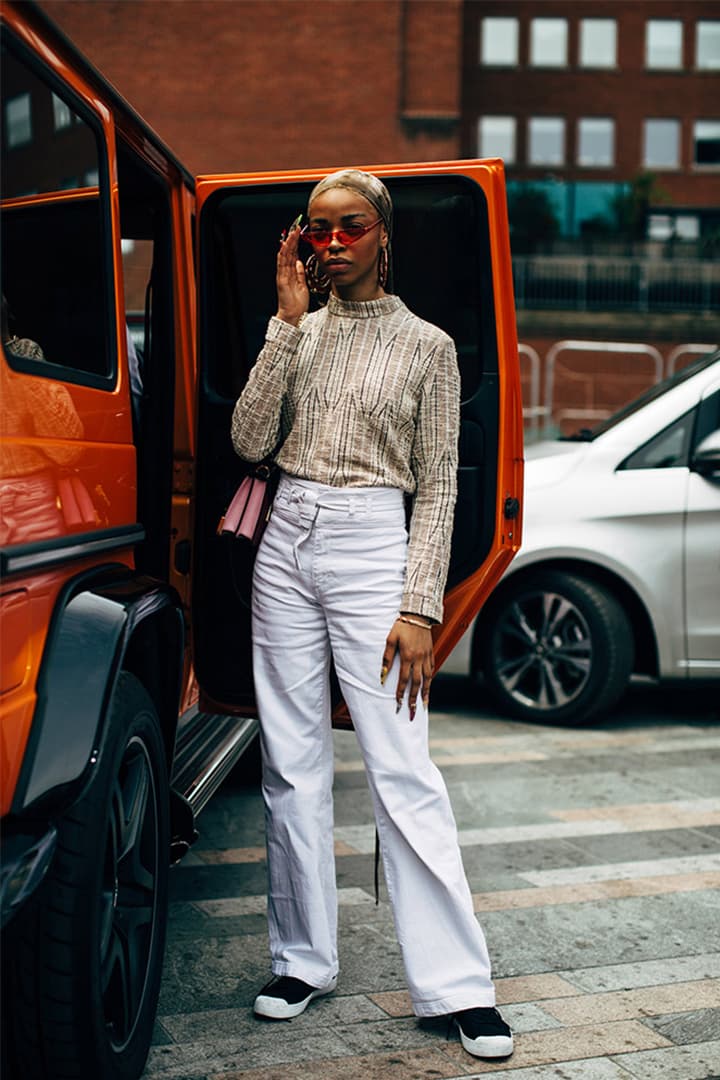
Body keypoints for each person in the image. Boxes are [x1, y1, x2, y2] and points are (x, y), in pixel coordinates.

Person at [230, 169, 513, 1061]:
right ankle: (301, 961)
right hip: (286, 541)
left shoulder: (428, 345)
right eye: (319, 229)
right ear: (304, 240)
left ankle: (460, 987)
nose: (335, 241)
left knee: (402, 765)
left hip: (369, 544)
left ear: (383, 234)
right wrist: (280, 323)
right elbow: (246, 440)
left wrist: (419, 604)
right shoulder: (298, 334)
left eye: (352, 226)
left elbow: (439, 487)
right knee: (292, 759)